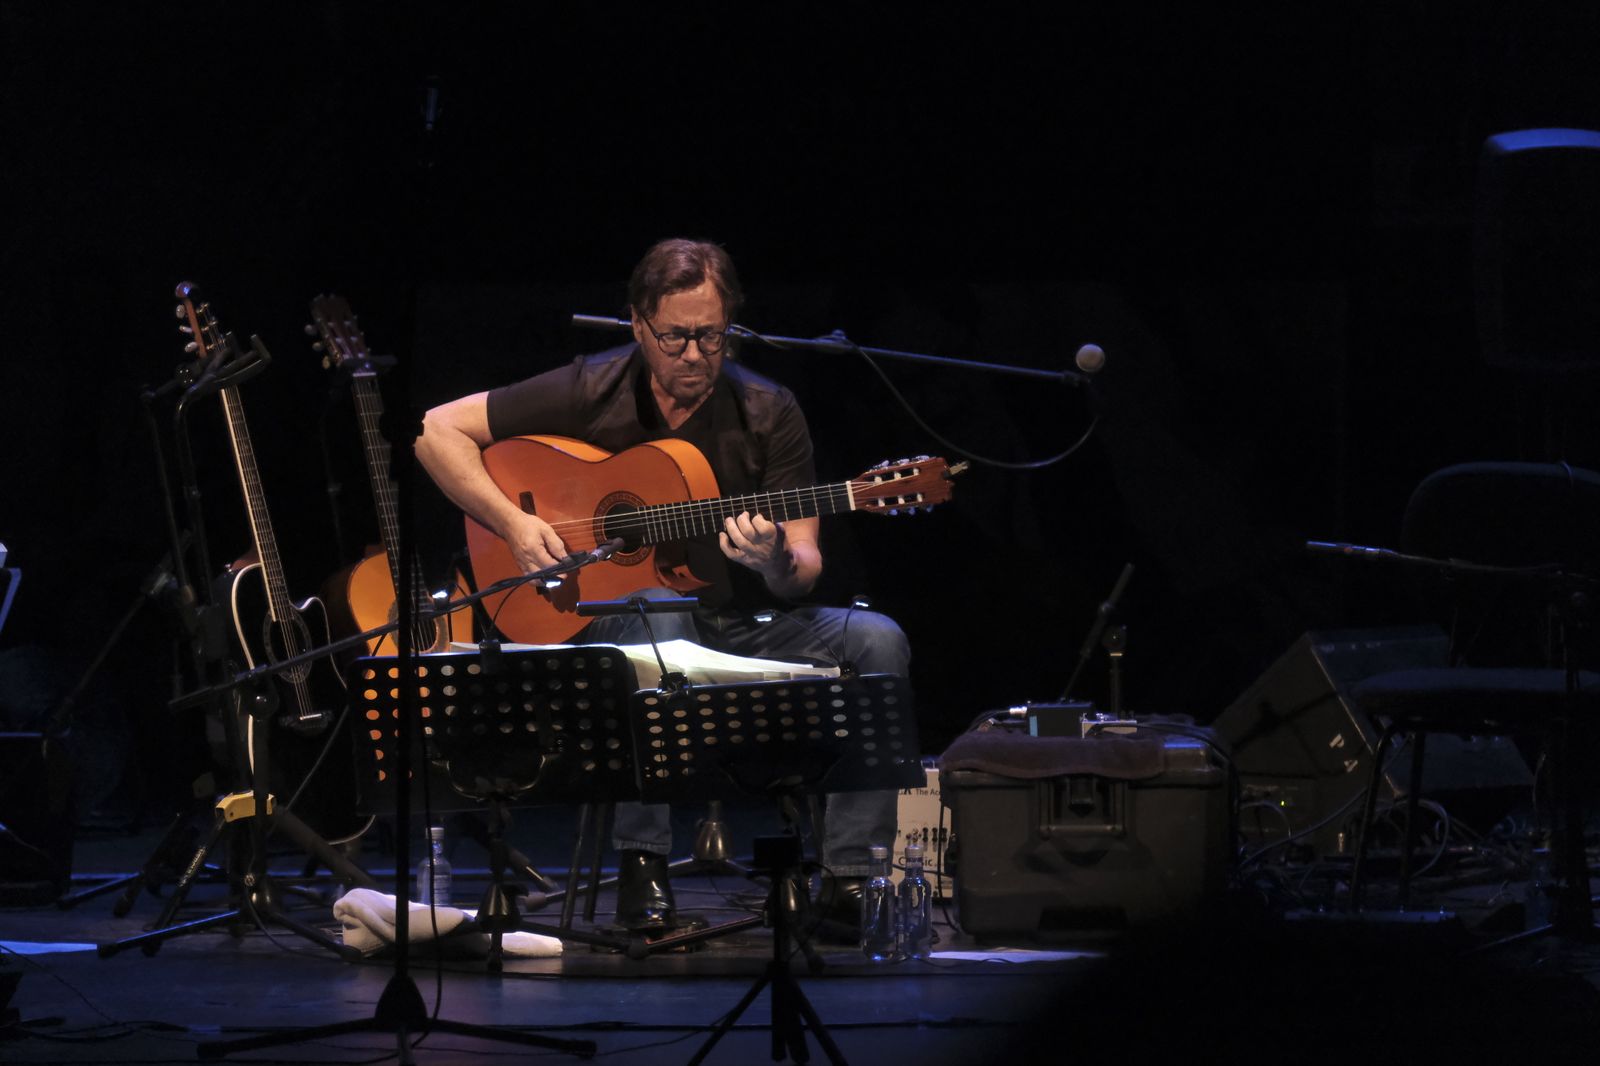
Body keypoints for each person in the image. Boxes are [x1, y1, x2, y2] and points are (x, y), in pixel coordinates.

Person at [414, 237, 908, 933]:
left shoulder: (769, 411)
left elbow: (803, 569)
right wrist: (516, 529)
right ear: (639, 325)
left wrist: (769, 561)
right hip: (614, 626)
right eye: (674, 337)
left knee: (877, 642)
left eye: (711, 336)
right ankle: (642, 867)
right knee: (657, 615)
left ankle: (850, 880)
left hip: (743, 623)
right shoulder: (593, 386)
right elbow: (436, 431)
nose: (694, 356)